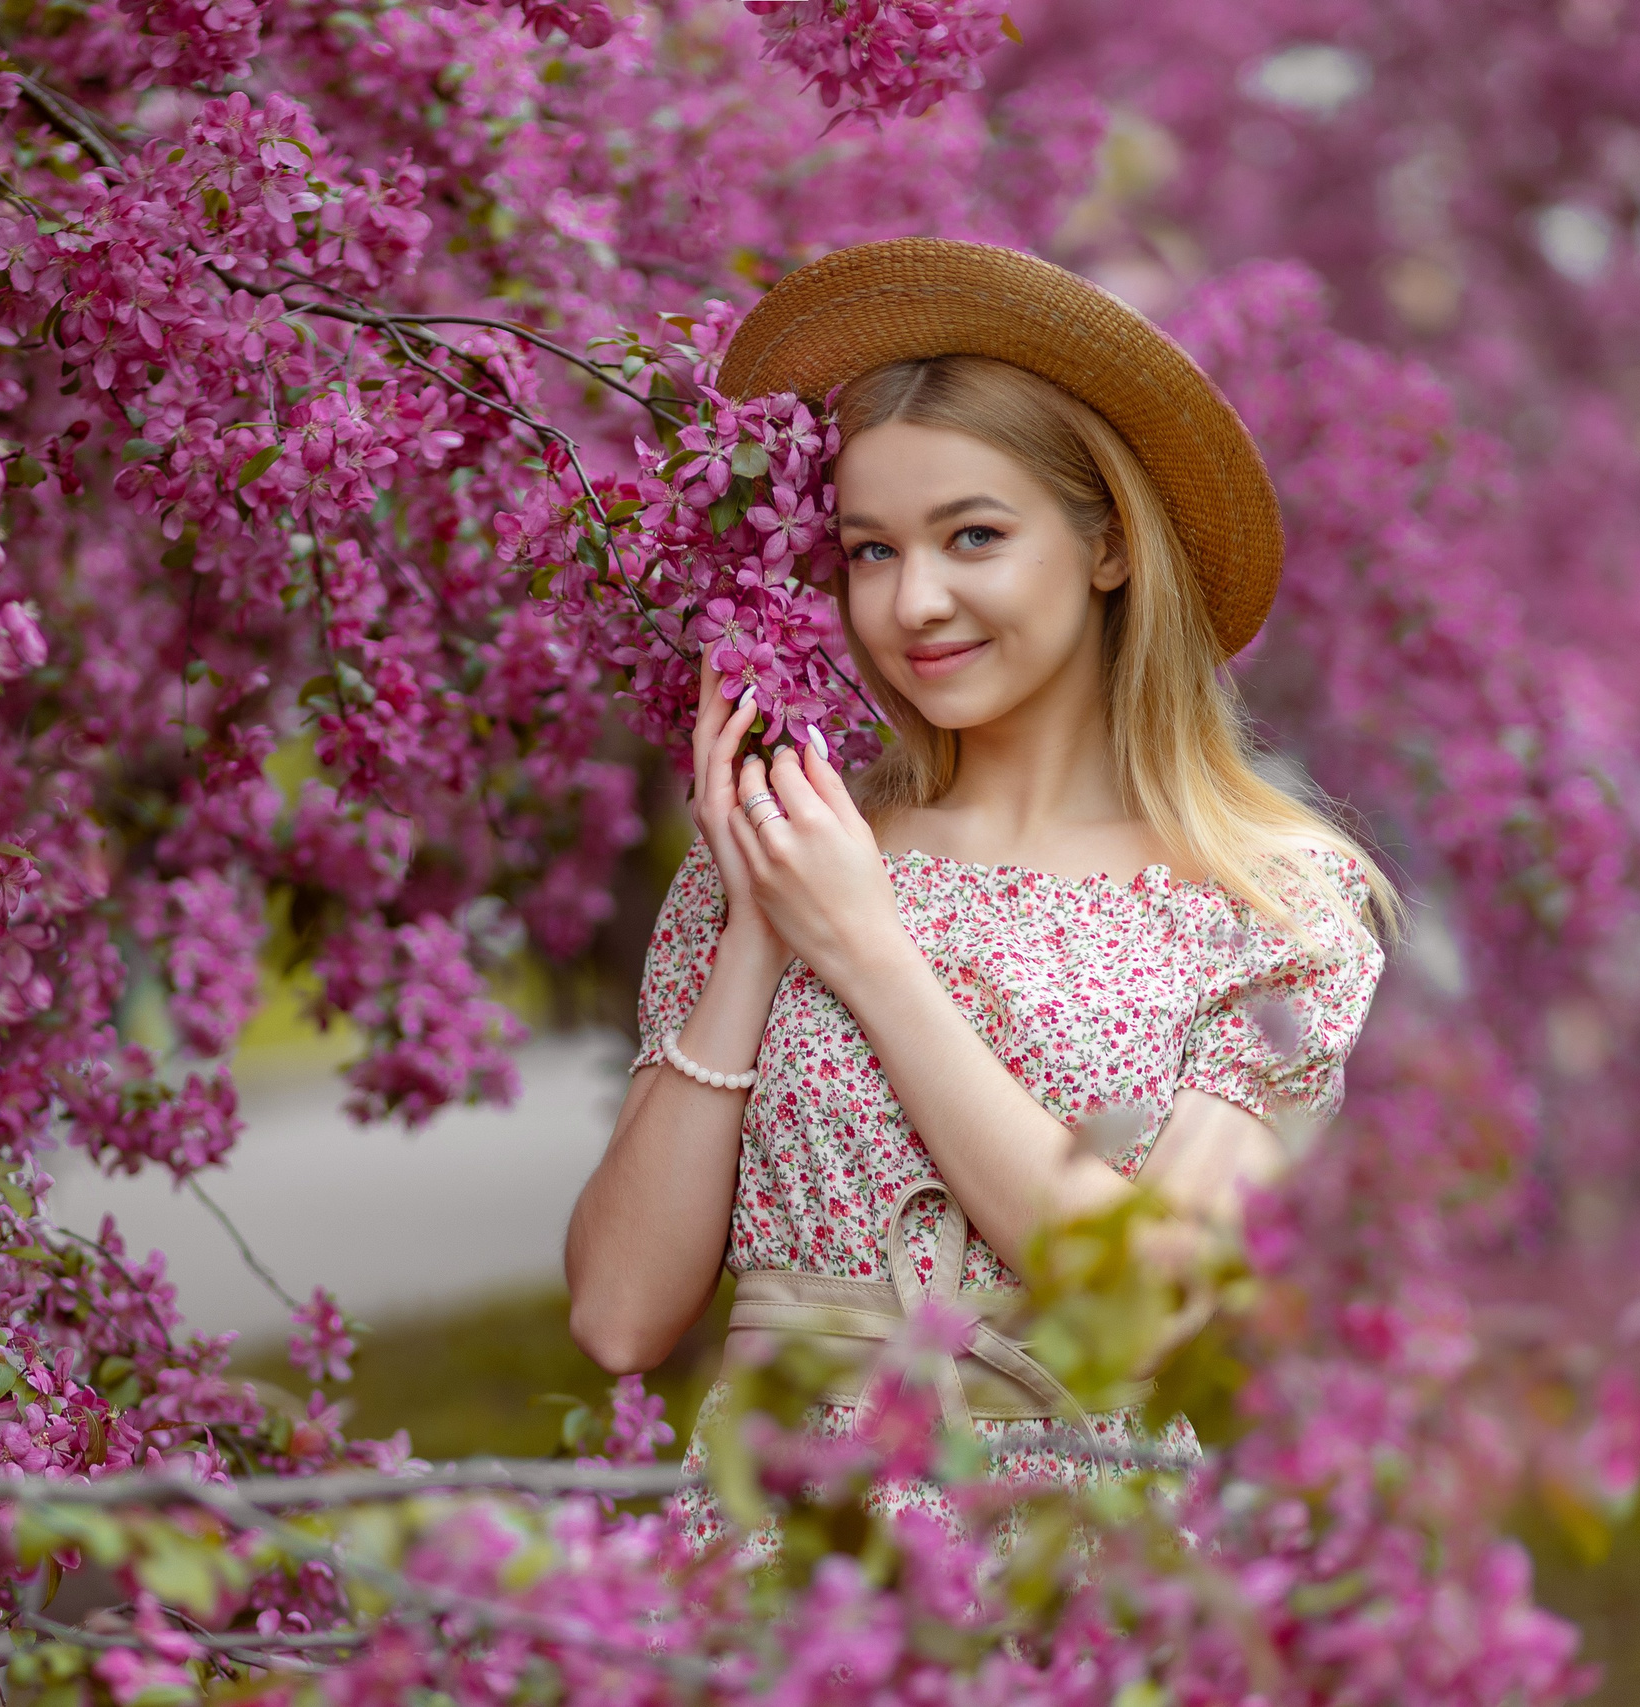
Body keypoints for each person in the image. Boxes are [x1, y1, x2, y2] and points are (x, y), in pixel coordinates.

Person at [562, 240, 1395, 1549]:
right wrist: (767, 923)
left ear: (1109, 543)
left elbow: (1132, 1303)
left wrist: (867, 951)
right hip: (782, 1569)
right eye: (871, 551)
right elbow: (619, 1313)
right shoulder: (798, 844)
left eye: (974, 537)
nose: (915, 602)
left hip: (1062, 1567)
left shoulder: (1271, 903)